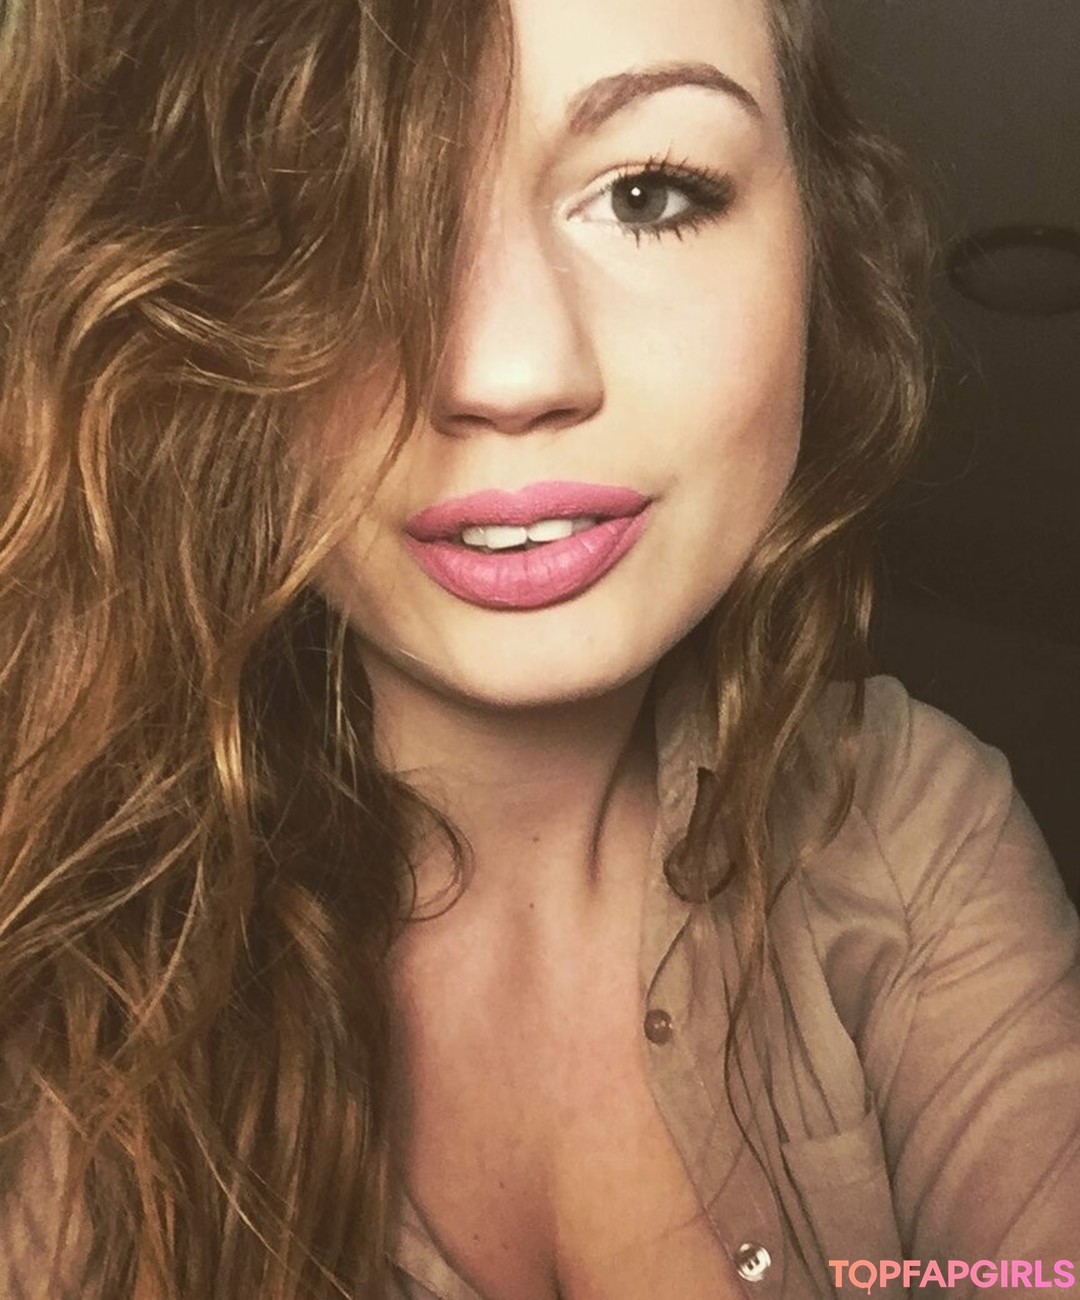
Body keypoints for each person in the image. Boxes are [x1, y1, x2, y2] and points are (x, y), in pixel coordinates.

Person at [1, 0, 1077, 1296]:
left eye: (648, 194)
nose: (508, 371)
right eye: (345, 212)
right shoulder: (54, 980)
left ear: (816, 248)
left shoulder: (909, 826)